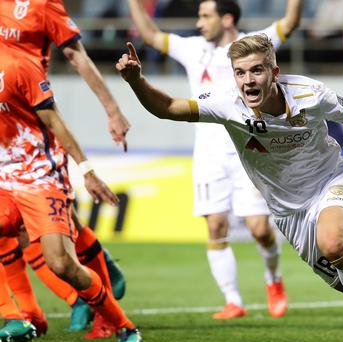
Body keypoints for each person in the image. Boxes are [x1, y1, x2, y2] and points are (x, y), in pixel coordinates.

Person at [117, 34, 343, 342]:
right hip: (288, 212)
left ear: (274, 73)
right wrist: (137, 82)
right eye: (240, 72)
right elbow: (169, 108)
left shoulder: (309, 94)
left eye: (257, 71)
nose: (248, 80)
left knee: (334, 244)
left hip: (330, 182)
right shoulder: (225, 102)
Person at [128, 0, 303, 319]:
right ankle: (233, 300)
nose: (198, 23)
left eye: (204, 16)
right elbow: (151, 35)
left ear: (226, 18)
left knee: (260, 229)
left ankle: (274, 280)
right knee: (216, 226)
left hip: (249, 149)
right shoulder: (192, 48)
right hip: (208, 154)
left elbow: (289, 23)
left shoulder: (253, 45)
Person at [0, 42, 142, 342]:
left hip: (40, 176)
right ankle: (16, 318)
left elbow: (53, 120)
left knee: (62, 264)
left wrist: (87, 171)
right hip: (4, 179)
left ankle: (123, 325)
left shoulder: (20, 65)